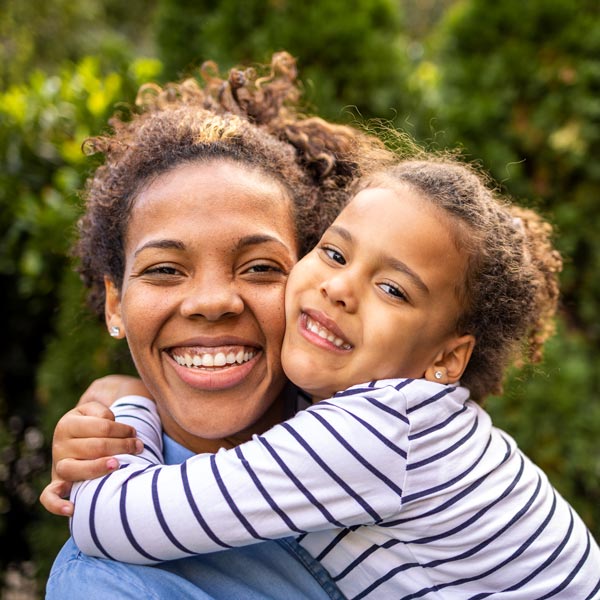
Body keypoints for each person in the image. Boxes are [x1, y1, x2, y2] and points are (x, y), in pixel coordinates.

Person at [51, 158, 600, 598]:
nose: (341, 288)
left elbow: (109, 520)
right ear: (115, 301)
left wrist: (127, 411)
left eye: (394, 289)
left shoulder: (370, 436)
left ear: (447, 359)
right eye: (335, 253)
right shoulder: (397, 415)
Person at [43, 51, 393, 599]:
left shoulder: (387, 432)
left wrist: (127, 395)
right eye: (163, 270)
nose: (212, 302)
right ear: (115, 304)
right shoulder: (110, 582)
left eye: (260, 267)